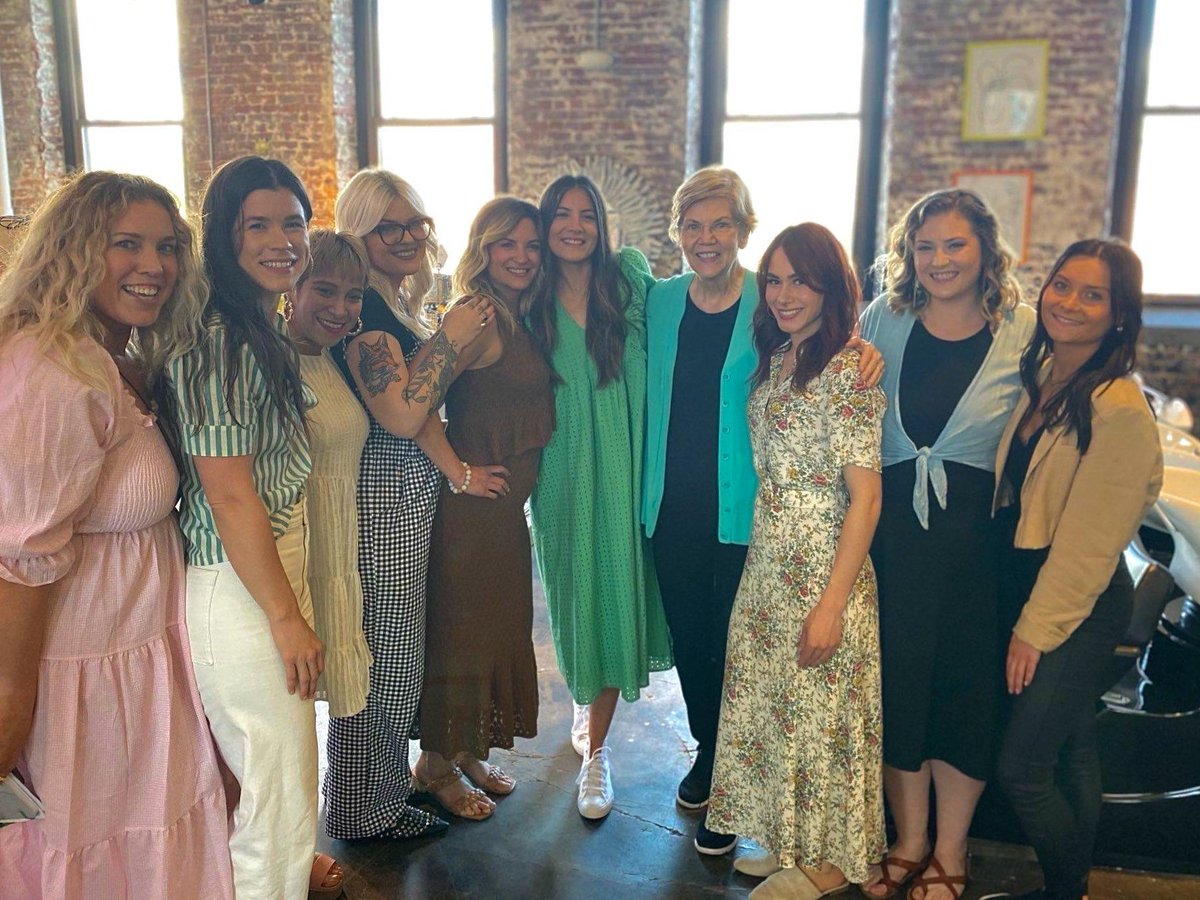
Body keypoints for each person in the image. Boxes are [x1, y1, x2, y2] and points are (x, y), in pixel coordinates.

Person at [0, 171, 234, 897]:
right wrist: (12, 703)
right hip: (83, 673)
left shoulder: (116, 357)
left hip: (139, 649)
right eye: (125, 244)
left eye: (166, 247)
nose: (154, 265)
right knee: (95, 852)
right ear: (74, 250)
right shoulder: (52, 369)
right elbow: (20, 554)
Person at [643, 167, 882, 851]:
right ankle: (713, 753)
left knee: (740, 649)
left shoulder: (771, 295)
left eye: (721, 223)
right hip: (671, 503)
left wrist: (867, 352)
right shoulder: (659, 302)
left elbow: (832, 338)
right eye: (693, 224)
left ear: (743, 230)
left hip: (749, 511)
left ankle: (736, 774)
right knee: (693, 641)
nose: (707, 237)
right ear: (679, 234)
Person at [166, 155, 342, 899]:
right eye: (258, 224)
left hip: (264, 567)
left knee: (281, 794)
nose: (282, 239)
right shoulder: (219, 338)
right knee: (279, 801)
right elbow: (230, 495)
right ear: (223, 236)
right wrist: (285, 617)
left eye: (293, 222)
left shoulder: (254, 326)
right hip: (238, 584)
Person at [858, 189, 1033, 900]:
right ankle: (908, 840)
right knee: (898, 690)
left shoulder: (1021, 331)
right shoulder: (885, 318)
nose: (939, 260)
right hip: (892, 540)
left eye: (955, 245)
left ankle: (951, 855)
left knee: (964, 698)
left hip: (977, 548)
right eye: (925, 247)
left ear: (986, 250)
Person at [707, 223, 885, 898]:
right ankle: (793, 837)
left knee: (825, 709)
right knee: (779, 704)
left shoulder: (846, 367)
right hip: (771, 558)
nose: (784, 294)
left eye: (800, 281)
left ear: (830, 286)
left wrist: (833, 604)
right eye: (774, 280)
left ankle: (830, 862)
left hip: (824, 564)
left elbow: (866, 498)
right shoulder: (779, 355)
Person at [326, 169, 504, 837]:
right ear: (359, 234)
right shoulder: (364, 313)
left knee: (394, 663)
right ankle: (361, 812)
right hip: (384, 503)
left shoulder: (393, 304)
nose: (404, 237)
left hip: (408, 494)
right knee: (387, 670)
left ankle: (376, 794)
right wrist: (453, 336)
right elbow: (401, 411)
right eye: (386, 227)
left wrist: (454, 471)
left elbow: (420, 405)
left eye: (414, 224)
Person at [992, 240, 1161, 900]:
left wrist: (1034, 630)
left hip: (1075, 603)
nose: (1068, 302)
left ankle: (1064, 891)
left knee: (1024, 767)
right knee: (1073, 745)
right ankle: (1076, 888)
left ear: (1119, 315)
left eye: (1092, 295)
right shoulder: (1050, 375)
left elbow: (1090, 546)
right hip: (1039, 586)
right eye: (1062, 285)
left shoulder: (1117, 409)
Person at [526, 174, 673, 820]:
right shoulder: (527, 299)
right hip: (557, 473)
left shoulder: (629, 281)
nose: (575, 225)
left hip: (623, 464)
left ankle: (598, 753)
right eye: (562, 213)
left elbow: (701, 303)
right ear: (545, 222)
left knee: (617, 591)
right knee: (575, 597)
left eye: (587, 213)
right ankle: (586, 712)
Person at [415, 196, 555, 819]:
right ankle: (435, 768)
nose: (521, 256)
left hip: (501, 518)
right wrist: (459, 471)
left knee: (492, 630)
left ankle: (468, 751)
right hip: (472, 519)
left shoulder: (514, 314)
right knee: (465, 639)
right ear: (485, 250)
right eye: (507, 245)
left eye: (530, 245)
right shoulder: (474, 316)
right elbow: (414, 401)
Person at [284, 229, 373, 719]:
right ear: (291, 286)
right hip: (301, 563)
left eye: (353, 295)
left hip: (338, 553)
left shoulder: (330, 356)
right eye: (324, 289)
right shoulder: (275, 360)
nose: (341, 308)